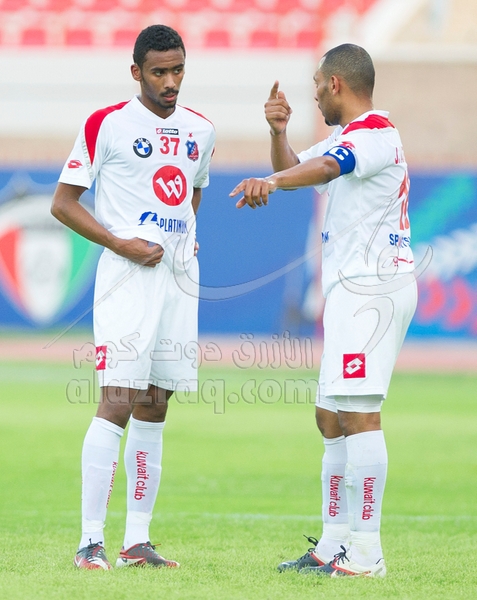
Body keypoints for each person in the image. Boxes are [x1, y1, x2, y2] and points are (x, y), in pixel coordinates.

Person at [230, 43, 417, 578]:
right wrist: (278, 135)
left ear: (336, 83)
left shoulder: (375, 134)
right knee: (329, 416)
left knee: (358, 414)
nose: (312, 94)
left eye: (316, 84)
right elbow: (299, 167)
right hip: (349, 289)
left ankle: (367, 552)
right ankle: (333, 544)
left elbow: (326, 170)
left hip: (372, 289)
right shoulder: (345, 135)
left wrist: (270, 181)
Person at [51, 24, 215, 570]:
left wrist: (183, 240)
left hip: (178, 279)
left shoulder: (201, 130)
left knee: (156, 402)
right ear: (136, 72)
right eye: (159, 72)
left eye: (178, 70)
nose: (170, 82)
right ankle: (90, 541)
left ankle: (136, 542)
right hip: (126, 277)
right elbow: (63, 203)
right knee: (118, 399)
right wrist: (120, 243)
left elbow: (191, 195)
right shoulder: (107, 124)